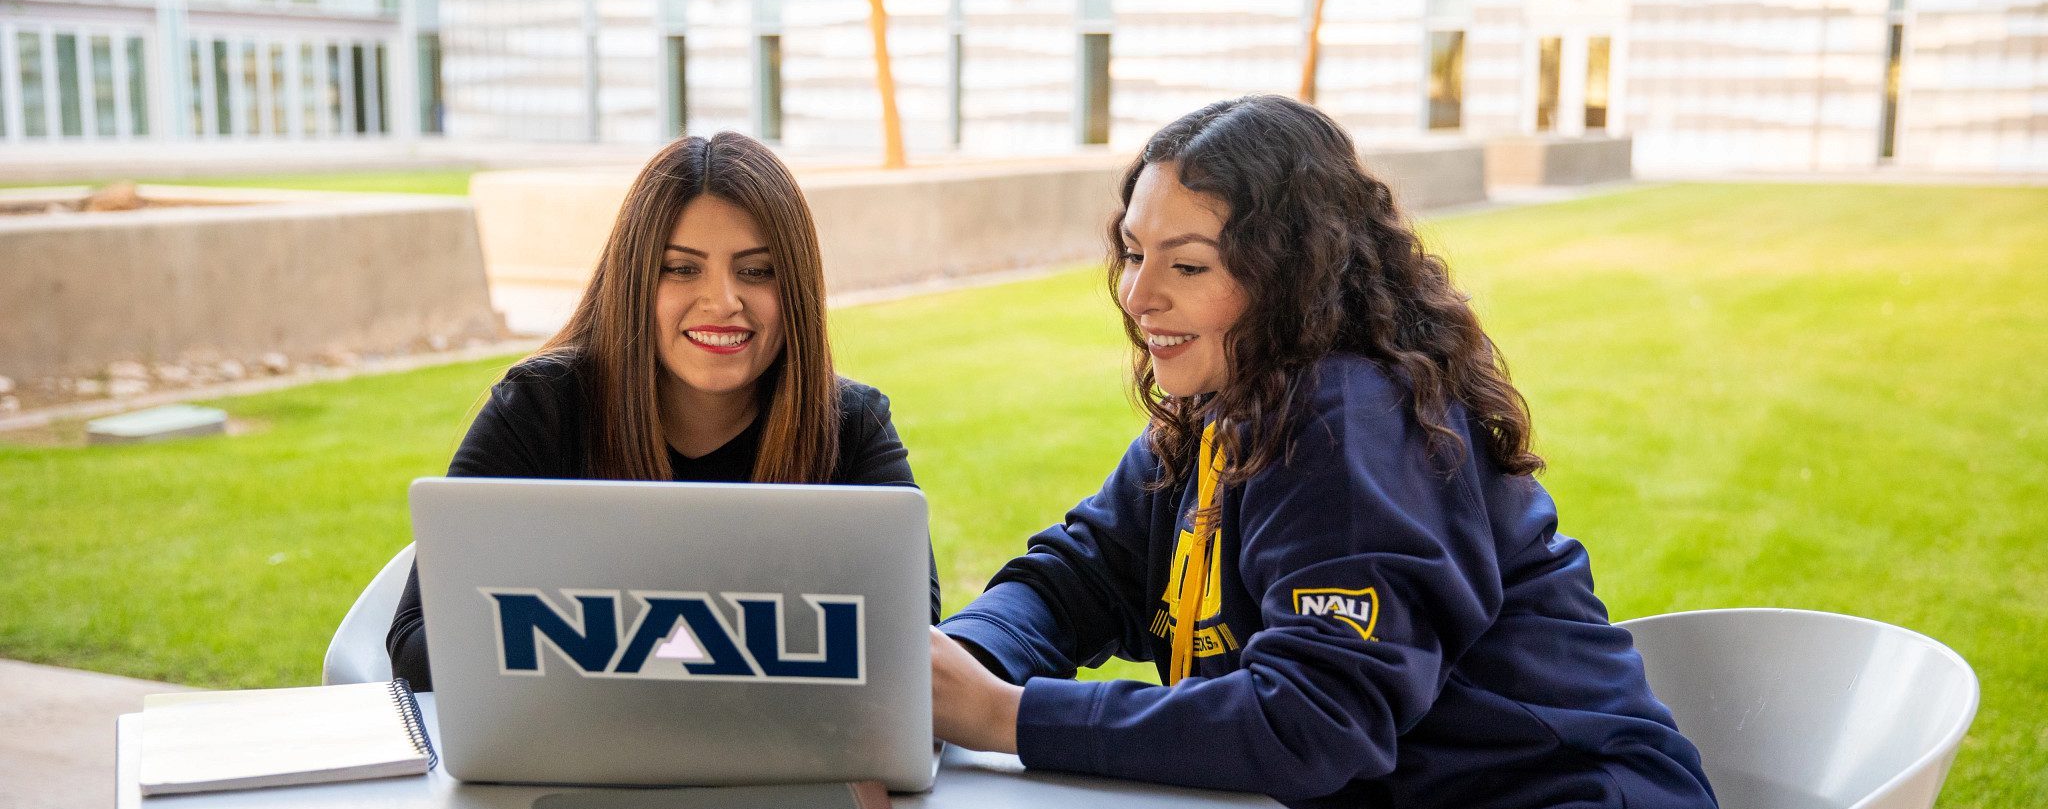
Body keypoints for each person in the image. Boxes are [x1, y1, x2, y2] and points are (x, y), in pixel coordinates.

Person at [928, 96, 1716, 809]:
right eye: (1135, 252)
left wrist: (1005, 714)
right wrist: (940, 670)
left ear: (1288, 277)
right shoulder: (1217, 410)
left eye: (1188, 264)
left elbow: (1313, 719)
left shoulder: (1349, 422)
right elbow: (1078, 576)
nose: (1138, 296)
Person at [388, 132, 940, 690]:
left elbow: (916, 638)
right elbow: (415, 641)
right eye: (681, 269)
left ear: (795, 287)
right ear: (634, 283)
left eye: (756, 271)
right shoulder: (541, 408)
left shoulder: (851, 425)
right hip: (584, 758)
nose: (723, 301)